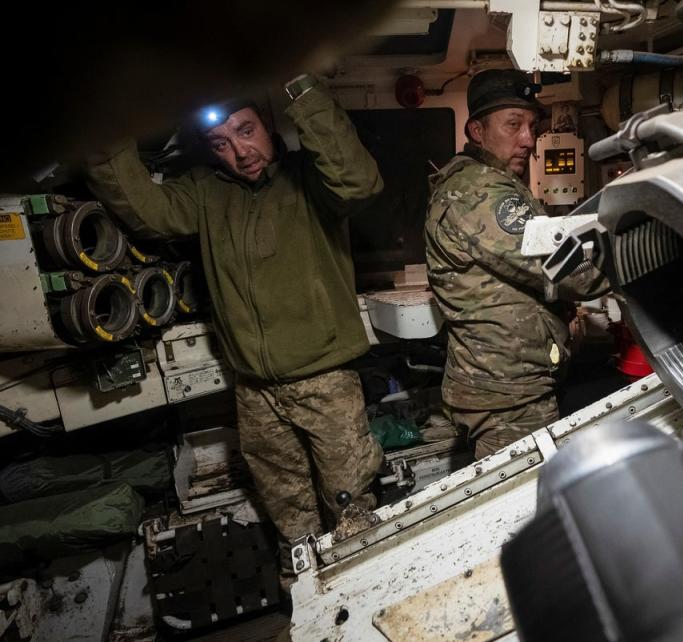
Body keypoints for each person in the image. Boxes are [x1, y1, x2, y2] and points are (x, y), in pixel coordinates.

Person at [85, 73, 384, 548]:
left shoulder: (310, 180)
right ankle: (304, 604)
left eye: (246, 131)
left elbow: (358, 182)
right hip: (255, 392)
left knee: (353, 515)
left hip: (325, 382)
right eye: (220, 142)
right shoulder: (205, 193)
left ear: (267, 125)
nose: (241, 151)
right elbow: (145, 211)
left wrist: (301, 89)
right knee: (292, 525)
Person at [424, 69, 609, 459]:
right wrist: (632, 261)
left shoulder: (483, 181)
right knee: (521, 507)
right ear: (477, 130)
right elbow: (562, 267)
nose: (528, 139)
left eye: (531, 125)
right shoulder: (480, 191)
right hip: (509, 392)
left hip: (503, 382)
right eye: (513, 125)